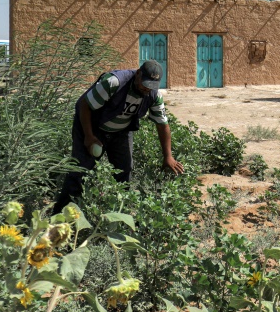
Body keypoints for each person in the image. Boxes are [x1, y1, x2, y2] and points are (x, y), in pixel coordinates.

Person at [53, 60, 184, 213]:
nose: (146, 88)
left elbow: (162, 125)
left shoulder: (153, 95)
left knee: (124, 171)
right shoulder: (114, 82)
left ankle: (118, 218)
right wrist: (88, 137)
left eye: (151, 86)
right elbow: (84, 105)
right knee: (79, 171)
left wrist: (168, 156)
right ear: (137, 74)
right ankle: (58, 218)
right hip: (91, 126)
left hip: (121, 131)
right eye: (144, 84)